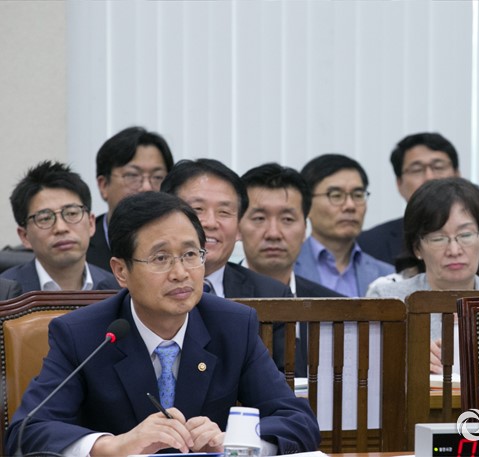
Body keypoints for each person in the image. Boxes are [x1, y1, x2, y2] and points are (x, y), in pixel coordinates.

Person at [5, 191, 320, 455]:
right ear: (121, 271)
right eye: (160, 258)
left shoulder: (233, 326)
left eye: (190, 254)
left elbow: (298, 421)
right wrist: (112, 446)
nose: (180, 273)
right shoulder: (83, 334)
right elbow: (28, 429)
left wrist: (233, 440)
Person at [367, 177, 479, 373]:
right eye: (438, 238)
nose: (454, 250)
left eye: (465, 235)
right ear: (417, 248)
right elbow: (366, 369)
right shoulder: (388, 300)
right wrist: (406, 360)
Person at [239, 163, 342, 376]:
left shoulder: (333, 308)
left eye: (287, 219)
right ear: (238, 226)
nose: (273, 233)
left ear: (305, 229)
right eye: (259, 218)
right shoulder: (217, 296)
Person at [161, 159, 293, 299]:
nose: (210, 223)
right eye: (197, 209)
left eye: (224, 212)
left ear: (239, 228)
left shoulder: (272, 295)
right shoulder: (145, 287)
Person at [1, 161, 119, 292]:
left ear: (91, 224)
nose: (61, 228)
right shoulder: (5, 293)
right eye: (45, 218)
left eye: (71, 213)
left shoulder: (119, 289)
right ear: (25, 236)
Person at [296, 153, 393, 297]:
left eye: (358, 195)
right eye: (336, 195)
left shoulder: (387, 275)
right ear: (307, 205)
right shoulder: (286, 268)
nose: (350, 206)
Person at [357, 133, 460, 266]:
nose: (429, 177)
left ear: (457, 175)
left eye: (438, 167)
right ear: (399, 183)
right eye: (417, 170)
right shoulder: (369, 244)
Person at [88, 126, 175, 272]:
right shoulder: (81, 249)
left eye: (157, 177)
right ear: (104, 185)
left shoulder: (184, 245)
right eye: (132, 175)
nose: (147, 187)